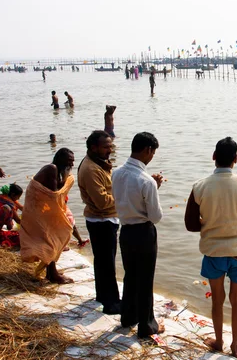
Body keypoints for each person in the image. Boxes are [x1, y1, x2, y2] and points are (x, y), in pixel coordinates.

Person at [184, 137, 237, 359]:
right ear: (236, 159)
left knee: (217, 299)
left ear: (214, 156)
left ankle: (218, 341)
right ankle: (236, 347)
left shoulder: (200, 186)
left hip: (214, 252)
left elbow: (190, 224)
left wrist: (211, 224)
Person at [111, 132, 164, 338]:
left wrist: (153, 187)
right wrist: (155, 189)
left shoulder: (116, 173)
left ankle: (129, 316)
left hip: (125, 230)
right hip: (143, 232)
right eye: (152, 153)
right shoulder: (146, 181)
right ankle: (146, 325)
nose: (152, 157)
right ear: (147, 150)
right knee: (145, 278)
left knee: (130, 275)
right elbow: (155, 215)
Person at [78, 130, 121, 315]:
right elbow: (102, 202)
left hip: (103, 219)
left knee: (104, 261)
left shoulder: (98, 163)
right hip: (101, 220)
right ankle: (111, 303)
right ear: (93, 147)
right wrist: (124, 197)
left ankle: (103, 295)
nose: (109, 150)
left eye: (110, 146)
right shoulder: (90, 169)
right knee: (106, 263)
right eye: (105, 147)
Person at [19, 148, 76, 284]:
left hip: (42, 208)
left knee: (52, 237)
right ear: (60, 159)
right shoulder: (52, 169)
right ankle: (52, 274)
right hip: (36, 209)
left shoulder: (58, 171)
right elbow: (53, 193)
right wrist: (67, 179)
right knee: (52, 237)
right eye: (69, 161)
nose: (71, 165)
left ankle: (51, 272)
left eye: (73, 162)